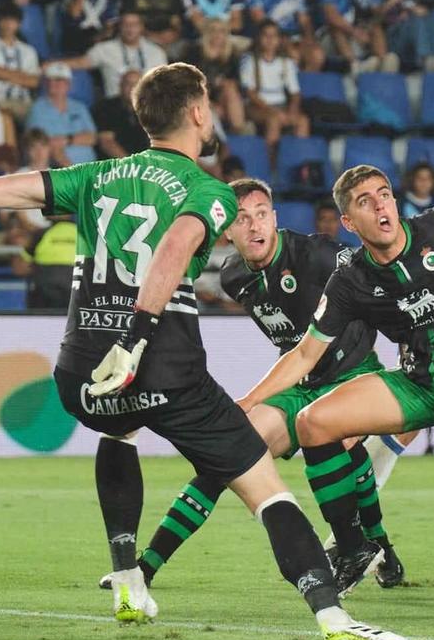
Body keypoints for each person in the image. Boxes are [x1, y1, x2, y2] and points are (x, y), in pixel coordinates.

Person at [0, 63, 411, 640]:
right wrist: (136, 336)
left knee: (118, 431)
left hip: (80, 372)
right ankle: (334, 619)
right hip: (165, 367)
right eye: (209, 104)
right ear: (195, 113)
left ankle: (129, 574)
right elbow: (176, 244)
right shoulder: (206, 188)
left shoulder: (97, 174)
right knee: (267, 490)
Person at [234, 160, 434, 602]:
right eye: (365, 202)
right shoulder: (350, 281)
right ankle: (353, 549)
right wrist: (249, 401)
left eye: (384, 194)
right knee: (313, 422)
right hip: (418, 383)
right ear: (350, 222)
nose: (381, 206)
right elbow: (306, 353)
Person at [112, 178, 408, 597]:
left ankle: (362, 547)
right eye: (242, 219)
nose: (255, 227)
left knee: (338, 447)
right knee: (225, 458)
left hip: (351, 375)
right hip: (299, 381)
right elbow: (293, 346)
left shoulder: (317, 253)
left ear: (275, 218)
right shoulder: (233, 275)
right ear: (226, 232)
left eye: (262, 215)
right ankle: (146, 567)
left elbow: (382, 284)